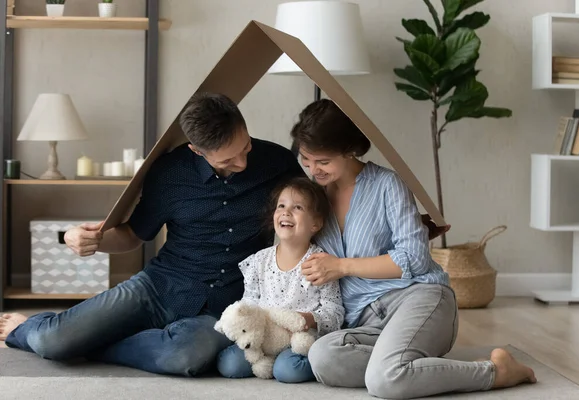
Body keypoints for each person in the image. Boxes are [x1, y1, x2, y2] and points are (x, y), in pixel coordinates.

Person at [0, 92, 306, 376]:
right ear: (196, 150)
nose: (242, 162)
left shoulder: (277, 162)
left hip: (228, 303)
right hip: (159, 286)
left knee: (186, 356)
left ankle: (93, 346)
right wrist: (89, 240)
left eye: (246, 147)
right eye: (227, 159)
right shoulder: (169, 172)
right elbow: (134, 235)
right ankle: (32, 327)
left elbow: (314, 209)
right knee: (53, 341)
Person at [288, 99, 537, 399]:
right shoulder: (312, 198)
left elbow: (416, 259)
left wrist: (342, 266)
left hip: (417, 299)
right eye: (306, 160)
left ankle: (496, 372)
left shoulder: (387, 184)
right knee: (322, 358)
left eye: (323, 161)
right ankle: (407, 366)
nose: (314, 170)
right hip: (363, 321)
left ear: (349, 149)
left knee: (383, 382)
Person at [216, 177, 345, 383]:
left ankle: (283, 363)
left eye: (298, 207)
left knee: (287, 371)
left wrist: (305, 319)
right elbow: (249, 302)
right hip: (262, 337)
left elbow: (335, 311)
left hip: (298, 340)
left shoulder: (320, 263)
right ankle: (265, 361)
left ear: (316, 223)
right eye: (281, 206)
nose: (286, 212)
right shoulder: (259, 261)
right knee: (229, 365)